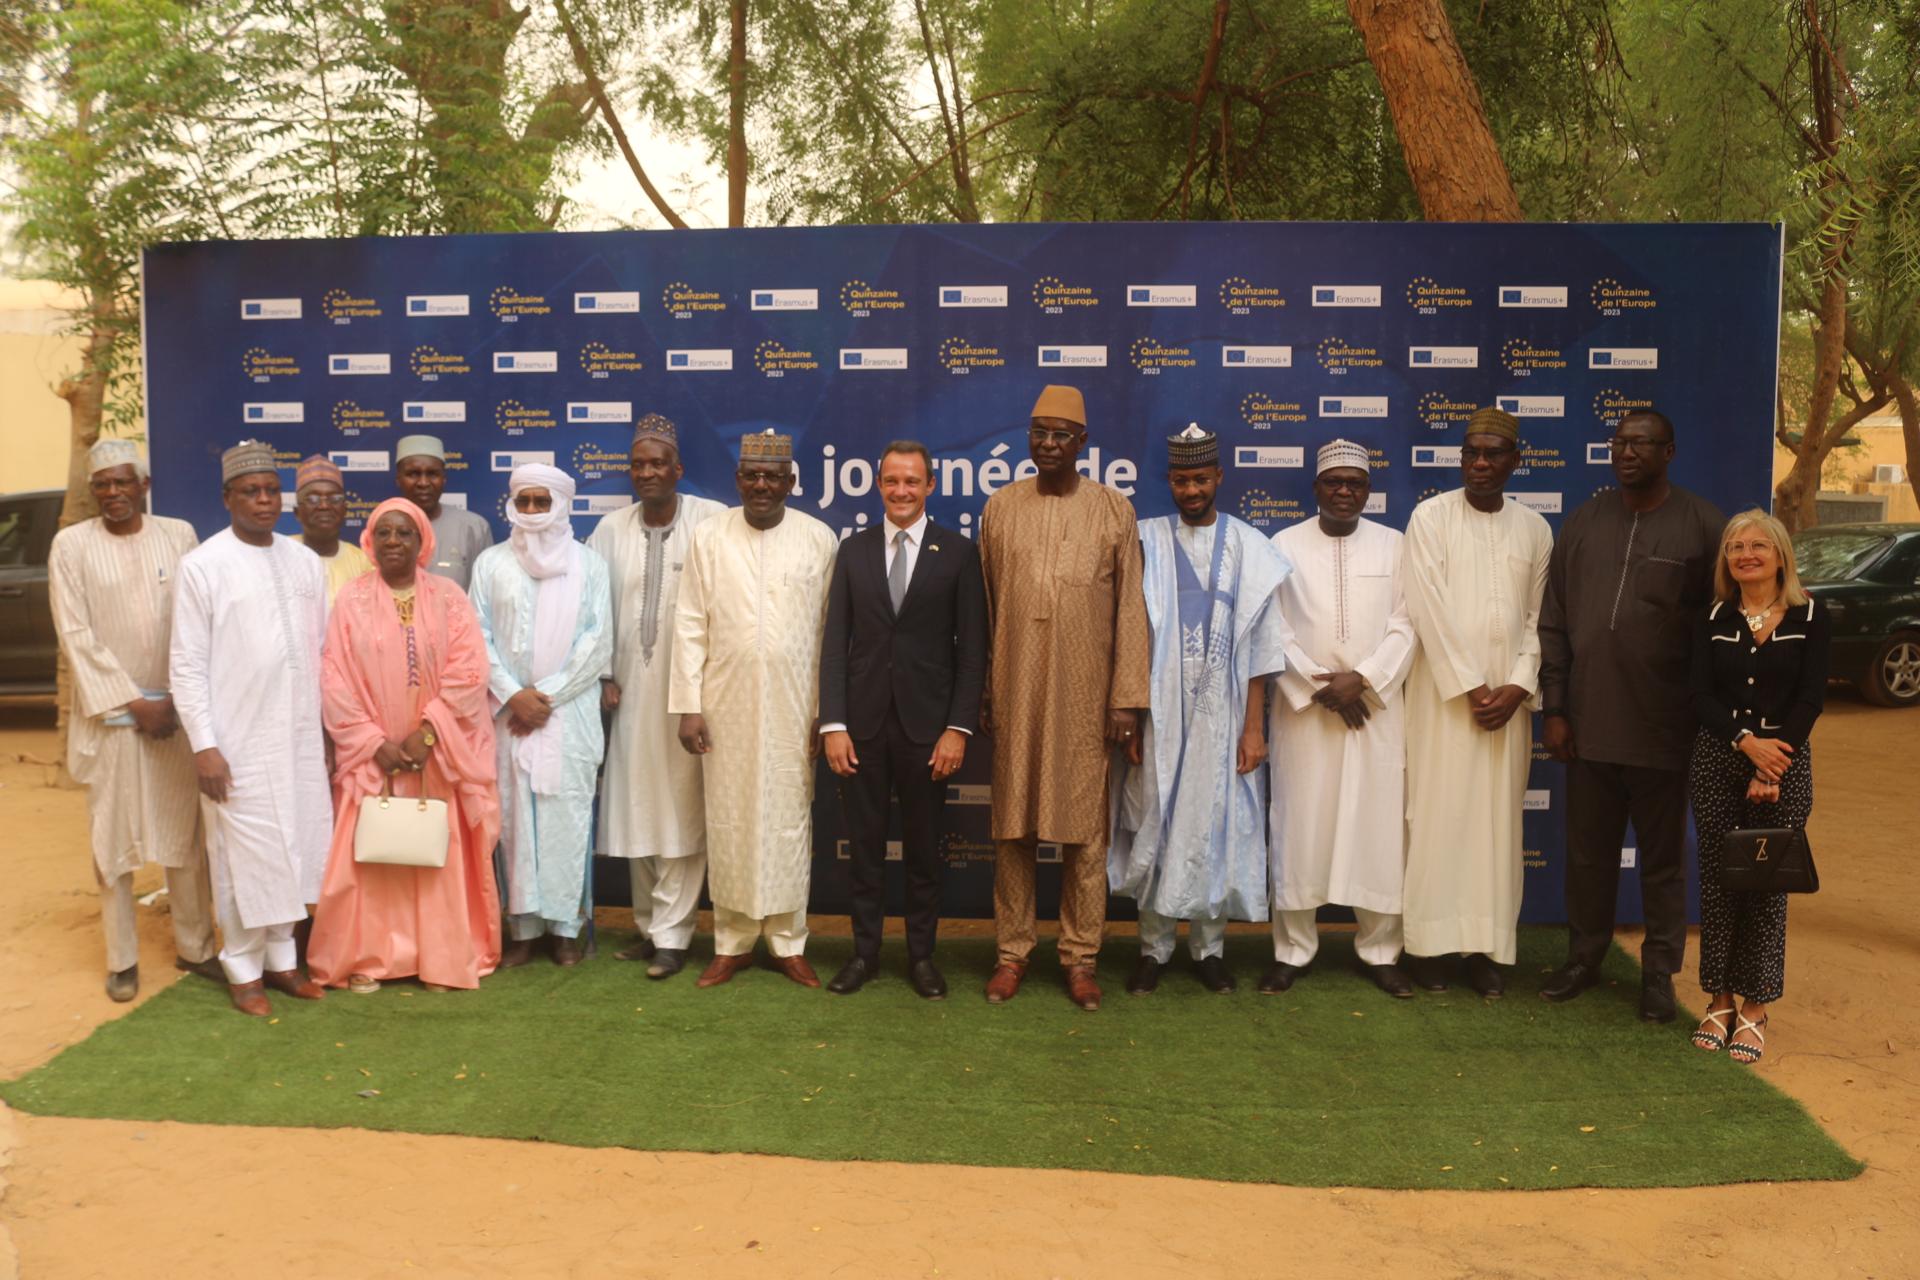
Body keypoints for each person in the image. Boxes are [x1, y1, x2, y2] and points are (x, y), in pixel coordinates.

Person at [1539, 409, 1723, 1021]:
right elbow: (1555, 620)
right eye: (1619, 442)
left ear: (1668, 452)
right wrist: (1557, 708)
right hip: (1587, 725)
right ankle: (1584, 958)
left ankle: (1658, 972)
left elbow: (1717, 633)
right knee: (1587, 855)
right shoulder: (1587, 519)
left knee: (1663, 861)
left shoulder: (1702, 526)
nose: (1625, 452)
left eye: (1640, 443)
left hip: (1664, 729)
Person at [977, 384, 1151, 1011]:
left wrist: (1126, 697)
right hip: (1016, 688)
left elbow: (1131, 608)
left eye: (1060, 435)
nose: (1047, 445)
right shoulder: (1001, 507)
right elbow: (986, 608)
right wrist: (987, 690)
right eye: (1038, 433)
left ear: (1083, 442)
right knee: (1013, 829)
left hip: (1086, 695)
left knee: (1084, 833)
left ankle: (1080, 958)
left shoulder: (1113, 510)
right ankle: (1011, 953)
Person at [1108, 425, 1289, 996]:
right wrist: (1132, 714)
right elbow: (1127, 635)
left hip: (1225, 715)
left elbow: (1262, 647)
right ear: (1171, 481)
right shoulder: (1144, 540)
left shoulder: (1251, 547)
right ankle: (1153, 949)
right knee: (1159, 822)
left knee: (1215, 825)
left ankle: (1209, 949)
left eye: (1201, 478)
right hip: (1160, 714)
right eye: (1182, 479)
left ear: (1219, 477)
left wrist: (1253, 727)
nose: (1192, 489)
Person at [306, 499, 503, 992]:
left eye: (405, 533)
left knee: (435, 849)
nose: (394, 541)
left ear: (422, 542)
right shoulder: (349, 601)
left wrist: (429, 731)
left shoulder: (449, 598)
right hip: (374, 755)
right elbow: (334, 678)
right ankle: (371, 959)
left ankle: (440, 957)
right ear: (370, 541)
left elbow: (469, 670)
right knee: (373, 858)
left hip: (436, 752)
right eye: (385, 533)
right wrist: (373, 742)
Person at [48, 439, 218, 1002]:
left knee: (183, 837)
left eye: (123, 482)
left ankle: (196, 947)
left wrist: (173, 699)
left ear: (144, 486)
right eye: (103, 485)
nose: (113, 493)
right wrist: (133, 701)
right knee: (112, 842)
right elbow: (74, 633)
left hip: (173, 715)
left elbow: (195, 623)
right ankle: (121, 959)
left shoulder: (180, 535)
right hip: (114, 721)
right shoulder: (70, 545)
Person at [818, 439, 988, 999]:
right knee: (863, 851)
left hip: (928, 732)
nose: (901, 491)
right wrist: (833, 724)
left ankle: (921, 958)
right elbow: (834, 645)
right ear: (878, 485)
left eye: (912, 481)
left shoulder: (959, 554)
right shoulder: (854, 551)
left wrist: (957, 729)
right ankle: (863, 955)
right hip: (861, 728)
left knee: (923, 851)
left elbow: (972, 653)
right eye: (891, 481)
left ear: (930, 486)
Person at [670, 429, 838, 988]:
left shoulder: (819, 539)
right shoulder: (709, 537)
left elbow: (829, 635)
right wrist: (687, 706)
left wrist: (826, 710)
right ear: (738, 480)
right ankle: (732, 943)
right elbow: (691, 622)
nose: (761, 485)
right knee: (730, 819)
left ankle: (789, 943)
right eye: (751, 476)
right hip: (725, 707)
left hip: (796, 708)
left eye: (773, 476)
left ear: (791, 481)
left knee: (790, 820)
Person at [169, 440, 330, 1016]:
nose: (263, 501)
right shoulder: (203, 566)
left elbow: (320, 651)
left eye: (270, 490)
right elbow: (185, 664)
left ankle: (283, 961)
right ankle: (242, 968)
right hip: (236, 741)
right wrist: (205, 746)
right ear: (227, 498)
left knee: (296, 848)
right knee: (244, 855)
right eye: (250, 492)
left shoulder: (304, 561)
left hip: (299, 739)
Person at [1400, 407, 1553, 997]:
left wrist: (1518, 685)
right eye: (1471, 453)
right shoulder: (1430, 518)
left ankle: (1488, 948)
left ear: (1515, 460)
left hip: (1508, 707)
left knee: (1497, 823)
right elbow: (1426, 607)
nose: (1481, 463)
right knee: (1439, 817)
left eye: (1493, 454)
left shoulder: (1534, 529)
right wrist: (1470, 685)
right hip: (1445, 703)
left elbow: (1542, 618)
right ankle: (1430, 948)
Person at [1266, 440, 1417, 998]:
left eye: (1356, 483)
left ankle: (1380, 951)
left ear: (1369, 490)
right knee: (1301, 826)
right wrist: (1318, 684)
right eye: (1335, 483)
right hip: (1305, 716)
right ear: (1316, 489)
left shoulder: (1397, 546)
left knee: (1376, 828)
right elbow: (1272, 627)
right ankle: (1292, 950)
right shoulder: (1282, 545)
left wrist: (1367, 679)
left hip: (1375, 714)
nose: (1345, 492)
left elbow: (1409, 624)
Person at [1687, 509, 1829, 1064]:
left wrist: (1772, 766)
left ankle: (1755, 1006)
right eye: (1735, 547)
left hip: (1786, 767)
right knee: (1721, 883)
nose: (1745, 555)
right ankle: (1719, 999)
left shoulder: (1812, 614)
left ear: (1779, 556)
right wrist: (1746, 744)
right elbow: (1698, 696)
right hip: (1720, 763)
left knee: (1767, 886)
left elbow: (1811, 697)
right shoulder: (1714, 616)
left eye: (1757, 546)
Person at [587, 415, 726, 981]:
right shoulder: (607, 530)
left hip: (689, 696)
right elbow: (591, 613)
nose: (648, 472)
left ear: (678, 469)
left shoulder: (711, 523)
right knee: (638, 810)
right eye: (639, 464)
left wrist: (702, 690)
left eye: (658, 463)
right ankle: (649, 929)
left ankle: (675, 934)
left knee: (680, 811)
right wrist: (600, 674)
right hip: (627, 696)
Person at [470, 464, 613, 967]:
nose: (531, 511)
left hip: (567, 715)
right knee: (514, 819)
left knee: (565, 819)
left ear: (561, 504)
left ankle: (565, 928)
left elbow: (597, 645)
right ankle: (523, 928)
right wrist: (513, 696)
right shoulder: (490, 564)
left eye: (541, 501)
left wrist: (543, 698)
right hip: (507, 716)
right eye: (523, 500)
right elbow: (476, 638)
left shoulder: (590, 565)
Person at [393, 434, 492, 591]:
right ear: (398, 479)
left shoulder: (473, 528)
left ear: (444, 479)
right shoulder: (383, 531)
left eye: (432, 474)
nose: (423, 483)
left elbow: (485, 596)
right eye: (413, 474)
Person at [291, 454, 372, 602]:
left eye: (334, 498)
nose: (324, 506)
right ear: (297, 512)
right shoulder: (281, 556)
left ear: (345, 510)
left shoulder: (363, 563)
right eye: (313, 499)